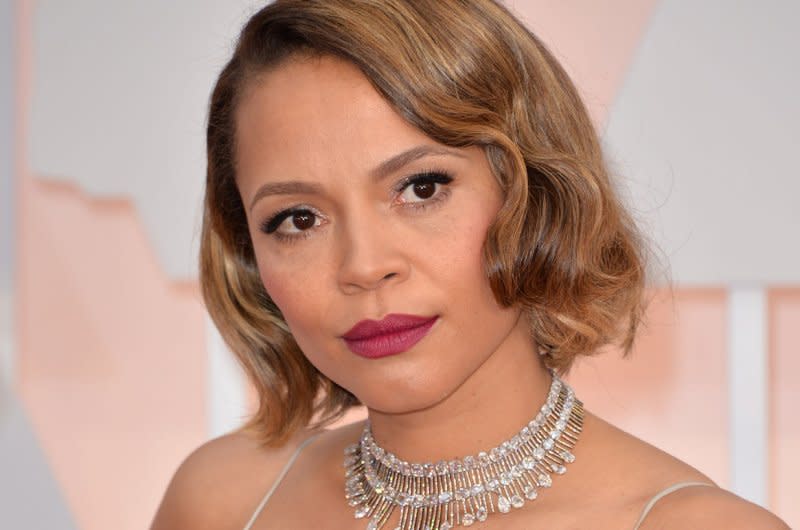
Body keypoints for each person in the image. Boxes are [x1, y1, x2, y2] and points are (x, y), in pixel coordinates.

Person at [150, 1, 790, 529]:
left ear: (531, 192)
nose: (365, 267)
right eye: (298, 219)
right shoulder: (221, 503)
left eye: (421, 188)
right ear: (250, 254)